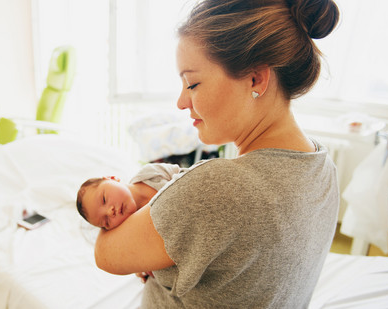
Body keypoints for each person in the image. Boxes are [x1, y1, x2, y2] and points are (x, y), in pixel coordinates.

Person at [93, 0, 341, 307]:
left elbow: (105, 254)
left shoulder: (220, 187)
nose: (181, 102)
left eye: (193, 83)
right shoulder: (323, 166)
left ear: (255, 79)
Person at [76, 163, 185, 230]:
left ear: (112, 178)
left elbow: (187, 174)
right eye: (106, 221)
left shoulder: (149, 173)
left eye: (104, 199)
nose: (110, 212)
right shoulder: (135, 228)